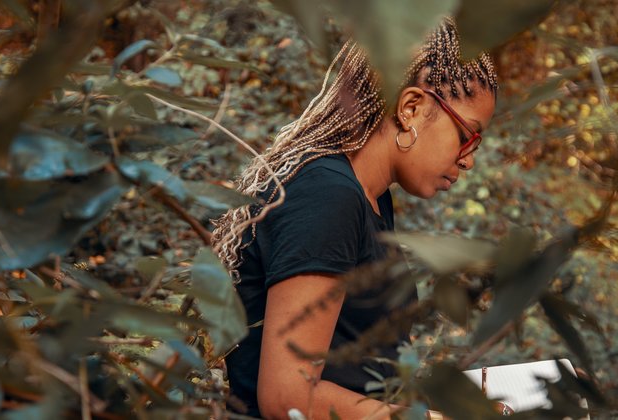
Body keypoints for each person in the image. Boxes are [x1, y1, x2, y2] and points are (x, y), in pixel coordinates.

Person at [211, 18, 498, 419]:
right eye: (468, 135)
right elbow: (287, 398)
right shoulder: (328, 195)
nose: (468, 159)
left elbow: (350, 372)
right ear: (411, 108)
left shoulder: (371, 198)